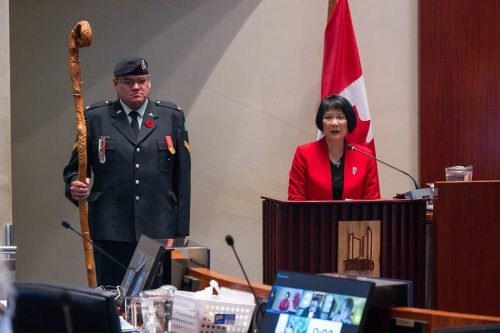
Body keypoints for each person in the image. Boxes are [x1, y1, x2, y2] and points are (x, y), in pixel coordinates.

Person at [63, 56, 191, 286]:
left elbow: (183, 177)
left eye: (141, 80)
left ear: (149, 82)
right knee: (112, 297)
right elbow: (74, 170)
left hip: (159, 227)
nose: (135, 86)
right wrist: (74, 185)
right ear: (115, 84)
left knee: (156, 301)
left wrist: (181, 230)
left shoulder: (171, 117)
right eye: (128, 81)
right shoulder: (95, 118)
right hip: (111, 227)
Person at [288, 95, 380, 200]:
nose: (334, 123)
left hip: (353, 217)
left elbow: (371, 200)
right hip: (314, 216)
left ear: (348, 121)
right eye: (328, 117)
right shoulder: (304, 153)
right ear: (321, 122)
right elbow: (295, 198)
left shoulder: (365, 156)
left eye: (340, 117)